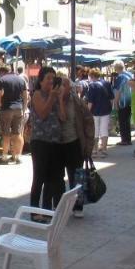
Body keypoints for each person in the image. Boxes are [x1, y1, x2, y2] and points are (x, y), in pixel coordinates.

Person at [28, 68, 66, 209]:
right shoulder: (37, 94)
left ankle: (46, 209)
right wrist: (51, 97)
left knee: (52, 178)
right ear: (41, 80)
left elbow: (63, 117)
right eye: (48, 78)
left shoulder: (55, 95)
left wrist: (59, 99)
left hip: (55, 141)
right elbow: (43, 114)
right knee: (39, 177)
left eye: (53, 78)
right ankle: (34, 210)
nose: (51, 81)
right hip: (40, 141)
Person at [57, 75, 94, 217]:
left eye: (64, 85)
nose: (60, 88)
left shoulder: (77, 102)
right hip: (57, 144)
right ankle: (60, 205)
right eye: (59, 85)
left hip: (74, 142)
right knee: (58, 177)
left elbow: (88, 122)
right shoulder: (53, 100)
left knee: (75, 176)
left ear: (70, 87)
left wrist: (89, 144)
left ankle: (78, 205)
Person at [0, 63, 28, 164]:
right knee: (17, 134)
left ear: (3, 72)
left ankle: (4, 157)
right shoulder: (21, 79)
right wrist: (24, 109)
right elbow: (26, 96)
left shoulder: (2, 80)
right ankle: (17, 157)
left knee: (6, 134)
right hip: (19, 109)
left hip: (6, 109)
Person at [85, 68, 113, 157]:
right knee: (104, 130)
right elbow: (111, 98)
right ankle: (104, 149)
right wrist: (110, 108)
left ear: (92, 76)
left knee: (95, 130)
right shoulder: (107, 84)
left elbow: (90, 102)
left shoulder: (92, 86)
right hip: (106, 110)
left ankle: (94, 150)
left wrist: (86, 113)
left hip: (94, 111)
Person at [111, 62, 133, 146]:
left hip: (122, 102)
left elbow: (118, 91)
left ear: (116, 68)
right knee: (127, 121)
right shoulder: (130, 74)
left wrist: (115, 103)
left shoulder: (120, 77)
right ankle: (128, 139)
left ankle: (124, 140)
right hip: (130, 101)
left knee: (122, 121)